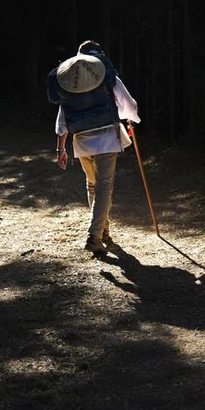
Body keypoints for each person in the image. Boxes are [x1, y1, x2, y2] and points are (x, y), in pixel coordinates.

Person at [52, 40, 140, 255]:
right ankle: (94, 235)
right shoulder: (107, 76)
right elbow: (130, 106)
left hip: (81, 141)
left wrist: (61, 148)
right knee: (104, 187)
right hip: (107, 138)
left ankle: (103, 232)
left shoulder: (71, 83)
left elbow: (62, 119)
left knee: (93, 186)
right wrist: (130, 118)